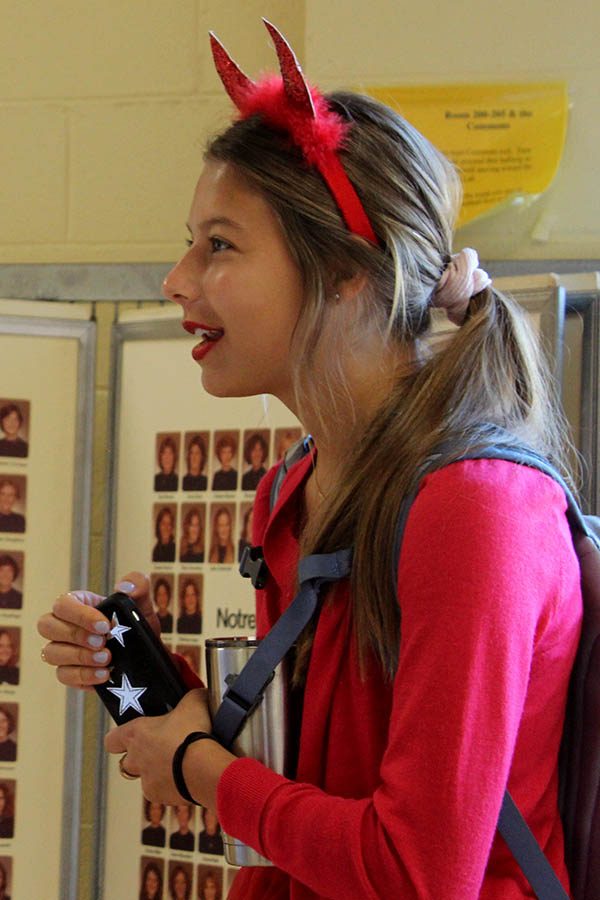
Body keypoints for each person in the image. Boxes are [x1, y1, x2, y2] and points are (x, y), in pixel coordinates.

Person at [37, 22, 582, 900]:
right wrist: (153, 683)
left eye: (219, 245)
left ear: (345, 273)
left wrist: (203, 770)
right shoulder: (292, 490)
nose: (175, 281)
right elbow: (317, 774)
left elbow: (416, 872)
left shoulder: (477, 509)